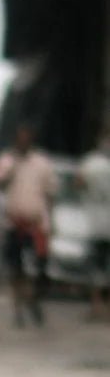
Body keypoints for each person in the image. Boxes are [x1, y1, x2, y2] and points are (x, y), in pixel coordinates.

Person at [0, 122, 57, 327]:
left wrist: (51, 221)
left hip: (36, 224)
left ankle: (33, 300)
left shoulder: (42, 163)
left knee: (39, 268)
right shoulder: (6, 160)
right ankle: (18, 310)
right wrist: (11, 171)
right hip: (14, 224)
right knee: (16, 269)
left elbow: (50, 194)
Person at [78, 124, 110, 322]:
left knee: (97, 269)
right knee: (99, 268)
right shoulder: (93, 163)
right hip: (98, 225)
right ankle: (99, 307)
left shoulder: (91, 163)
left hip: (97, 226)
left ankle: (97, 307)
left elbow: (78, 183)